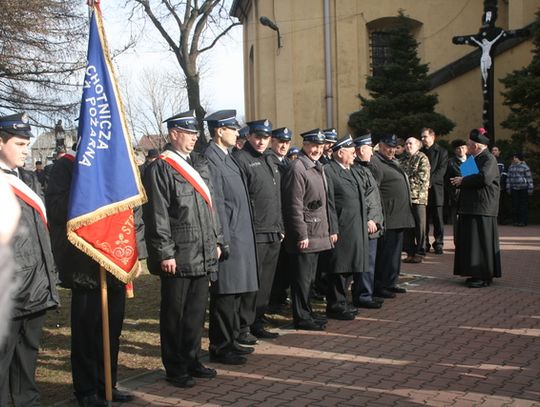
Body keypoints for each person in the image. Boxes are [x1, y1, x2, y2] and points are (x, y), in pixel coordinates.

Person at [46, 145, 146, 407]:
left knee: (112, 331)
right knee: (86, 332)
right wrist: (87, 186)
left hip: (114, 264)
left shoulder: (115, 169)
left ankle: (107, 384)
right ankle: (86, 389)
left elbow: (132, 211)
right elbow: (56, 210)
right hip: (84, 265)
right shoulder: (66, 167)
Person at [143, 110, 221, 388]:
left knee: (196, 313)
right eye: (189, 134)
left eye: (196, 134)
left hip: (202, 250)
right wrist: (165, 252)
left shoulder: (198, 165)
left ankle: (192, 359)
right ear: (174, 134)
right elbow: (157, 214)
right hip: (178, 252)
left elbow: (211, 208)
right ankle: (175, 367)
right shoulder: (161, 167)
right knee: (174, 315)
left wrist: (217, 241)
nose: (193, 139)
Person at [0, 112, 60, 407]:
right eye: (20, 144)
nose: (26, 150)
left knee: (27, 358)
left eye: (27, 144)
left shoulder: (29, 179)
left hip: (35, 284)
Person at [203, 110, 259, 365]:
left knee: (236, 293)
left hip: (241, 235)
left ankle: (232, 338)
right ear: (219, 131)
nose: (238, 133)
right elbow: (216, 202)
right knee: (225, 294)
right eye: (232, 128)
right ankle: (220, 346)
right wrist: (220, 239)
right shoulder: (210, 159)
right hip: (229, 236)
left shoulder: (229, 157)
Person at [282, 129, 337, 330]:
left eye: (320, 147)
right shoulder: (298, 167)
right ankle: (302, 317)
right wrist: (301, 233)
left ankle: (308, 313)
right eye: (313, 145)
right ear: (304, 145)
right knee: (301, 280)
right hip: (306, 235)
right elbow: (293, 205)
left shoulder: (317, 166)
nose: (316, 150)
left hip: (317, 232)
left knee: (309, 280)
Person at [233, 119, 283, 341]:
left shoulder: (270, 159)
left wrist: (280, 226)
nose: (261, 141)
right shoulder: (241, 159)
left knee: (266, 282)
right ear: (249, 137)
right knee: (251, 282)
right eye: (257, 137)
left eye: (265, 137)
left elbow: (276, 196)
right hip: (255, 231)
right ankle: (243, 325)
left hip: (273, 229)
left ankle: (258, 321)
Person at [324, 135, 368, 320]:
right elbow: (329, 203)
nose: (354, 155)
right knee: (339, 268)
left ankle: (342, 302)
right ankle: (335, 305)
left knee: (350, 266)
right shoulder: (329, 170)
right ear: (340, 152)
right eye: (350, 152)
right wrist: (333, 228)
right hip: (342, 226)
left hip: (355, 226)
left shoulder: (351, 170)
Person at [451, 128, 501, 288]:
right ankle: (473, 272)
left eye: (470, 143)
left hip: (483, 207)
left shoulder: (489, 158)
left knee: (481, 244)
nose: (467, 145)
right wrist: (462, 181)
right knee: (470, 243)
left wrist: (463, 181)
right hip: (469, 207)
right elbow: (464, 177)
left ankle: (483, 275)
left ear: (478, 145)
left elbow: (484, 178)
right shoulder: (472, 159)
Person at [370, 134, 415, 298]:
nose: (392, 150)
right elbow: (374, 190)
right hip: (388, 215)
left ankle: (391, 282)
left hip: (399, 215)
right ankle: (381, 285)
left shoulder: (391, 161)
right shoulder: (376, 162)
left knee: (394, 254)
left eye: (394, 147)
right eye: (388, 146)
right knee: (386, 254)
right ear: (380, 145)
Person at [351, 134, 384, 309]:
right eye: (370, 149)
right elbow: (361, 198)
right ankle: (363, 295)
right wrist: (369, 219)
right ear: (361, 150)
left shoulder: (366, 167)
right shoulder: (357, 169)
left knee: (370, 261)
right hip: (368, 223)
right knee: (366, 262)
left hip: (374, 222)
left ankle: (366, 292)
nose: (372, 152)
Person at [267, 127, 293, 313]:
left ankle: (281, 298)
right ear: (272, 142)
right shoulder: (268, 161)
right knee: (274, 268)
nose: (283, 145)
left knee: (284, 265)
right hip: (275, 221)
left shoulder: (286, 163)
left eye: (286, 142)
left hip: (288, 221)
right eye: (280, 142)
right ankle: (273, 301)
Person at [400, 137, 431, 264]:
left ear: (418, 146)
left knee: (420, 226)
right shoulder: (403, 159)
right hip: (405, 198)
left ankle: (420, 251)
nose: (407, 146)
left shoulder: (422, 158)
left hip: (418, 198)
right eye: (406, 143)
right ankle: (410, 252)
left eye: (410, 143)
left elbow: (422, 178)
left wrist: (404, 182)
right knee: (407, 226)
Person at [421, 128, 448, 254]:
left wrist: (429, 182)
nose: (423, 139)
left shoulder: (441, 152)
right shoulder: (420, 152)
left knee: (438, 219)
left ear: (433, 137)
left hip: (436, 190)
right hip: (422, 191)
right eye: (421, 137)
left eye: (425, 136)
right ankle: (424, 243)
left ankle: (438, 243)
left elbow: (441, 170)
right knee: (423, 219)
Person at [445, 139, 468, 243]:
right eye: (458, 148)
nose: (461, 150)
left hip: (469, 194)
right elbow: (447, 180)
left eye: (463, 147)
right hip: (456, 195)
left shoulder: (470, 161)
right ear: (455, 150)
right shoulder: (451, 162)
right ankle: (458, 242)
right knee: (457, 220)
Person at [506, 152, 534, 227]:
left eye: (515, 157)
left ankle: (523, 221)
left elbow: (529, 178)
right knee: (515, 205)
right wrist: (508, 187)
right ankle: (515, 221)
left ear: (518, 158)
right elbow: (508, 178)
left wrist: (530, 188)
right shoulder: (511, 167)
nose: (514, 159)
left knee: (523, 205)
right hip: (514, 188)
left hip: (523, 188)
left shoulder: (525, 167)